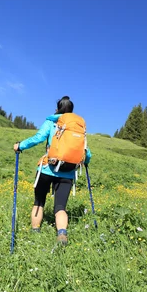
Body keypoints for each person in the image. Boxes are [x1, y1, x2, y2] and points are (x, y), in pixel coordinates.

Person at [13, 96, 88, 245]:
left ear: (57, 109)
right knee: (61, 206)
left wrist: (20, 145)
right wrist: (87, 161)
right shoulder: (78, 126)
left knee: (39, 202)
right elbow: (85, 150)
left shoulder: (52, 121)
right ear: (71, 112)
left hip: (47, 169)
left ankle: (35, 232)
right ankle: (61, 233)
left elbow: (39, 137)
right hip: (68, 172)